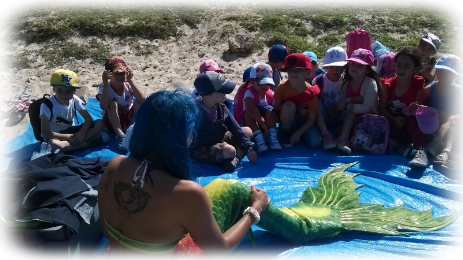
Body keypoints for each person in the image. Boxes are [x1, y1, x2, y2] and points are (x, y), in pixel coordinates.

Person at [98, 90, 270, 260]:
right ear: (182, 137)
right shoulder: (187, 193)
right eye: (190, 131)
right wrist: (254, 210)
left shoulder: (114, 165)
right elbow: (219, 250)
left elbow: (107, 231)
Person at [190, 71, 257, 173]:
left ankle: (236, 159)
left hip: (220, 139)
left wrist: (248, 148)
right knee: (230, 150)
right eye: (222, 90)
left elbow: (236, 128)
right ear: (210, 94)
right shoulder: (194, 111)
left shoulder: (221, 108)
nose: (226, 94)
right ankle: (233, 155)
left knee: (247, 131)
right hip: (203, 147)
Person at [378, 48, 428, 167]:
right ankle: (398, 145)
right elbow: (381, 109)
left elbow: (418, 108)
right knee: (376, 123)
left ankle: (421, 150)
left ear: (415, 70)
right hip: (393, 123)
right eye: (399, 64)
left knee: (412, 116)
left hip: (410, 126)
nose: (401, 69)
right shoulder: (388, 85)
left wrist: (414, 109)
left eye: (406, 66)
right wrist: (394, 119)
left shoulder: (417, 83)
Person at [40, 69, 108, 152]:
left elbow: (88, 119)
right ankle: (87, 143)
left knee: (100, 123)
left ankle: (75, 143)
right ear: (53, 89)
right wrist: (68, 137)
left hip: (73, 131)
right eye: (59, 90)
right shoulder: (47, 105)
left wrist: (82, 133)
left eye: (68, 91)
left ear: (74, 91)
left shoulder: (74, 99)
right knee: (54, 144)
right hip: (57, 135)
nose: (64, 95)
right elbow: (46, 133)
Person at [420, 54, 463, 165]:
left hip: (447, 119)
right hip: (430, 119)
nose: (444, 74)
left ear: (456, 75)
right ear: (436, 71)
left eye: (449, 72)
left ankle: (437, 142)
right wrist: (430, 112)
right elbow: (420, 105)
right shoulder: (429, 88)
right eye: (441, 71)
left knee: (452, 118)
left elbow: (459, 111)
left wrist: (447, 114)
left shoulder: (458, 91)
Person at [97, 57, 145, 152]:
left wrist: (130, 80)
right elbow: (103, 106)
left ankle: (135, 129)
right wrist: (106, 83)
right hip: (112, 122)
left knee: (138, 102)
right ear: (109, 75)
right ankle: (121, 136)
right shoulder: (105, 87)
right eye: (116, 74)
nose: (120, 77)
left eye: (123, 73)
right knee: (112, 104)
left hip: (128, 120)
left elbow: (143, 99)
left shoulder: (127, 86)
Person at [336, 48, 379, 154]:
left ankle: (343, 139)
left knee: (352, 110)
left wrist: (348, 105)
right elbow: (340, 101)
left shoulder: (370, 83)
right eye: (352, 64)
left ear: (367, 70)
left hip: (368, 118)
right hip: (351, 117)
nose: (354, 68)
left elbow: (367, 107)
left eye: (360, 66)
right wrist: (351, 99)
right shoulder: (345, 81)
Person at [273, 53, 321, 148]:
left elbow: (312, 118)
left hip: (305, 122)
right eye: (290, 70)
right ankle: (286, 132)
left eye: (298, 70)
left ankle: (297, 134)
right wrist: (295, 107)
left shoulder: (311, 91)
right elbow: (276, 108)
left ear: (307, 73)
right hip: (289, 121)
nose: (293, 74)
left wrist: (298, 133)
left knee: (316, 143)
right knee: (289, 105)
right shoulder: (281, 88)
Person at [312, 47, 348, 150]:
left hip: (341, 115)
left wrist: (341, 108)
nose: (335, 70)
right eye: (331, 66)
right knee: (316, 103)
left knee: (352, 108)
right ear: (326, 66)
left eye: (338, 66)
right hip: (324, 117)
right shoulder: (318, 81)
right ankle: (325, 134)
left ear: (344, 66)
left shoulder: (348, 81)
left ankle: (343, 137)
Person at [243, 63, 282, 152]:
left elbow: (276, 108)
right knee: (248, 114)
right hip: (252, 124)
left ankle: (272, 136)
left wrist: (275, 114)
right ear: (252, 82)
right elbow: (250, 109)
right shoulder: (249, 93)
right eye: (261, 83)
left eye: (267, 84)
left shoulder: (271, 94)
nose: (265, 86)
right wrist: (263, 123)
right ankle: (258, 138)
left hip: (266, 124)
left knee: (270, 110)